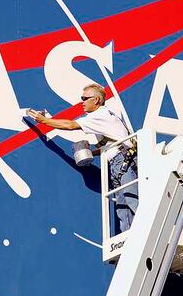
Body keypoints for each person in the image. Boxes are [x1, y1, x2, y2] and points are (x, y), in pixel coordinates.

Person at [27, 83, 138, 232]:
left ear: (96, 100)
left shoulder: (99, 115)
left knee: (132, 202)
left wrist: (44, 121)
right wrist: (92, 153)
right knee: (123, 208)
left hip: (123, 162)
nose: (82, 102)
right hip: (120, 162)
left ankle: (150, 235)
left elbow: (71, 125)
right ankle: (130, 242)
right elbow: (113, 143)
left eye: (85, 98)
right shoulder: (107, 116)